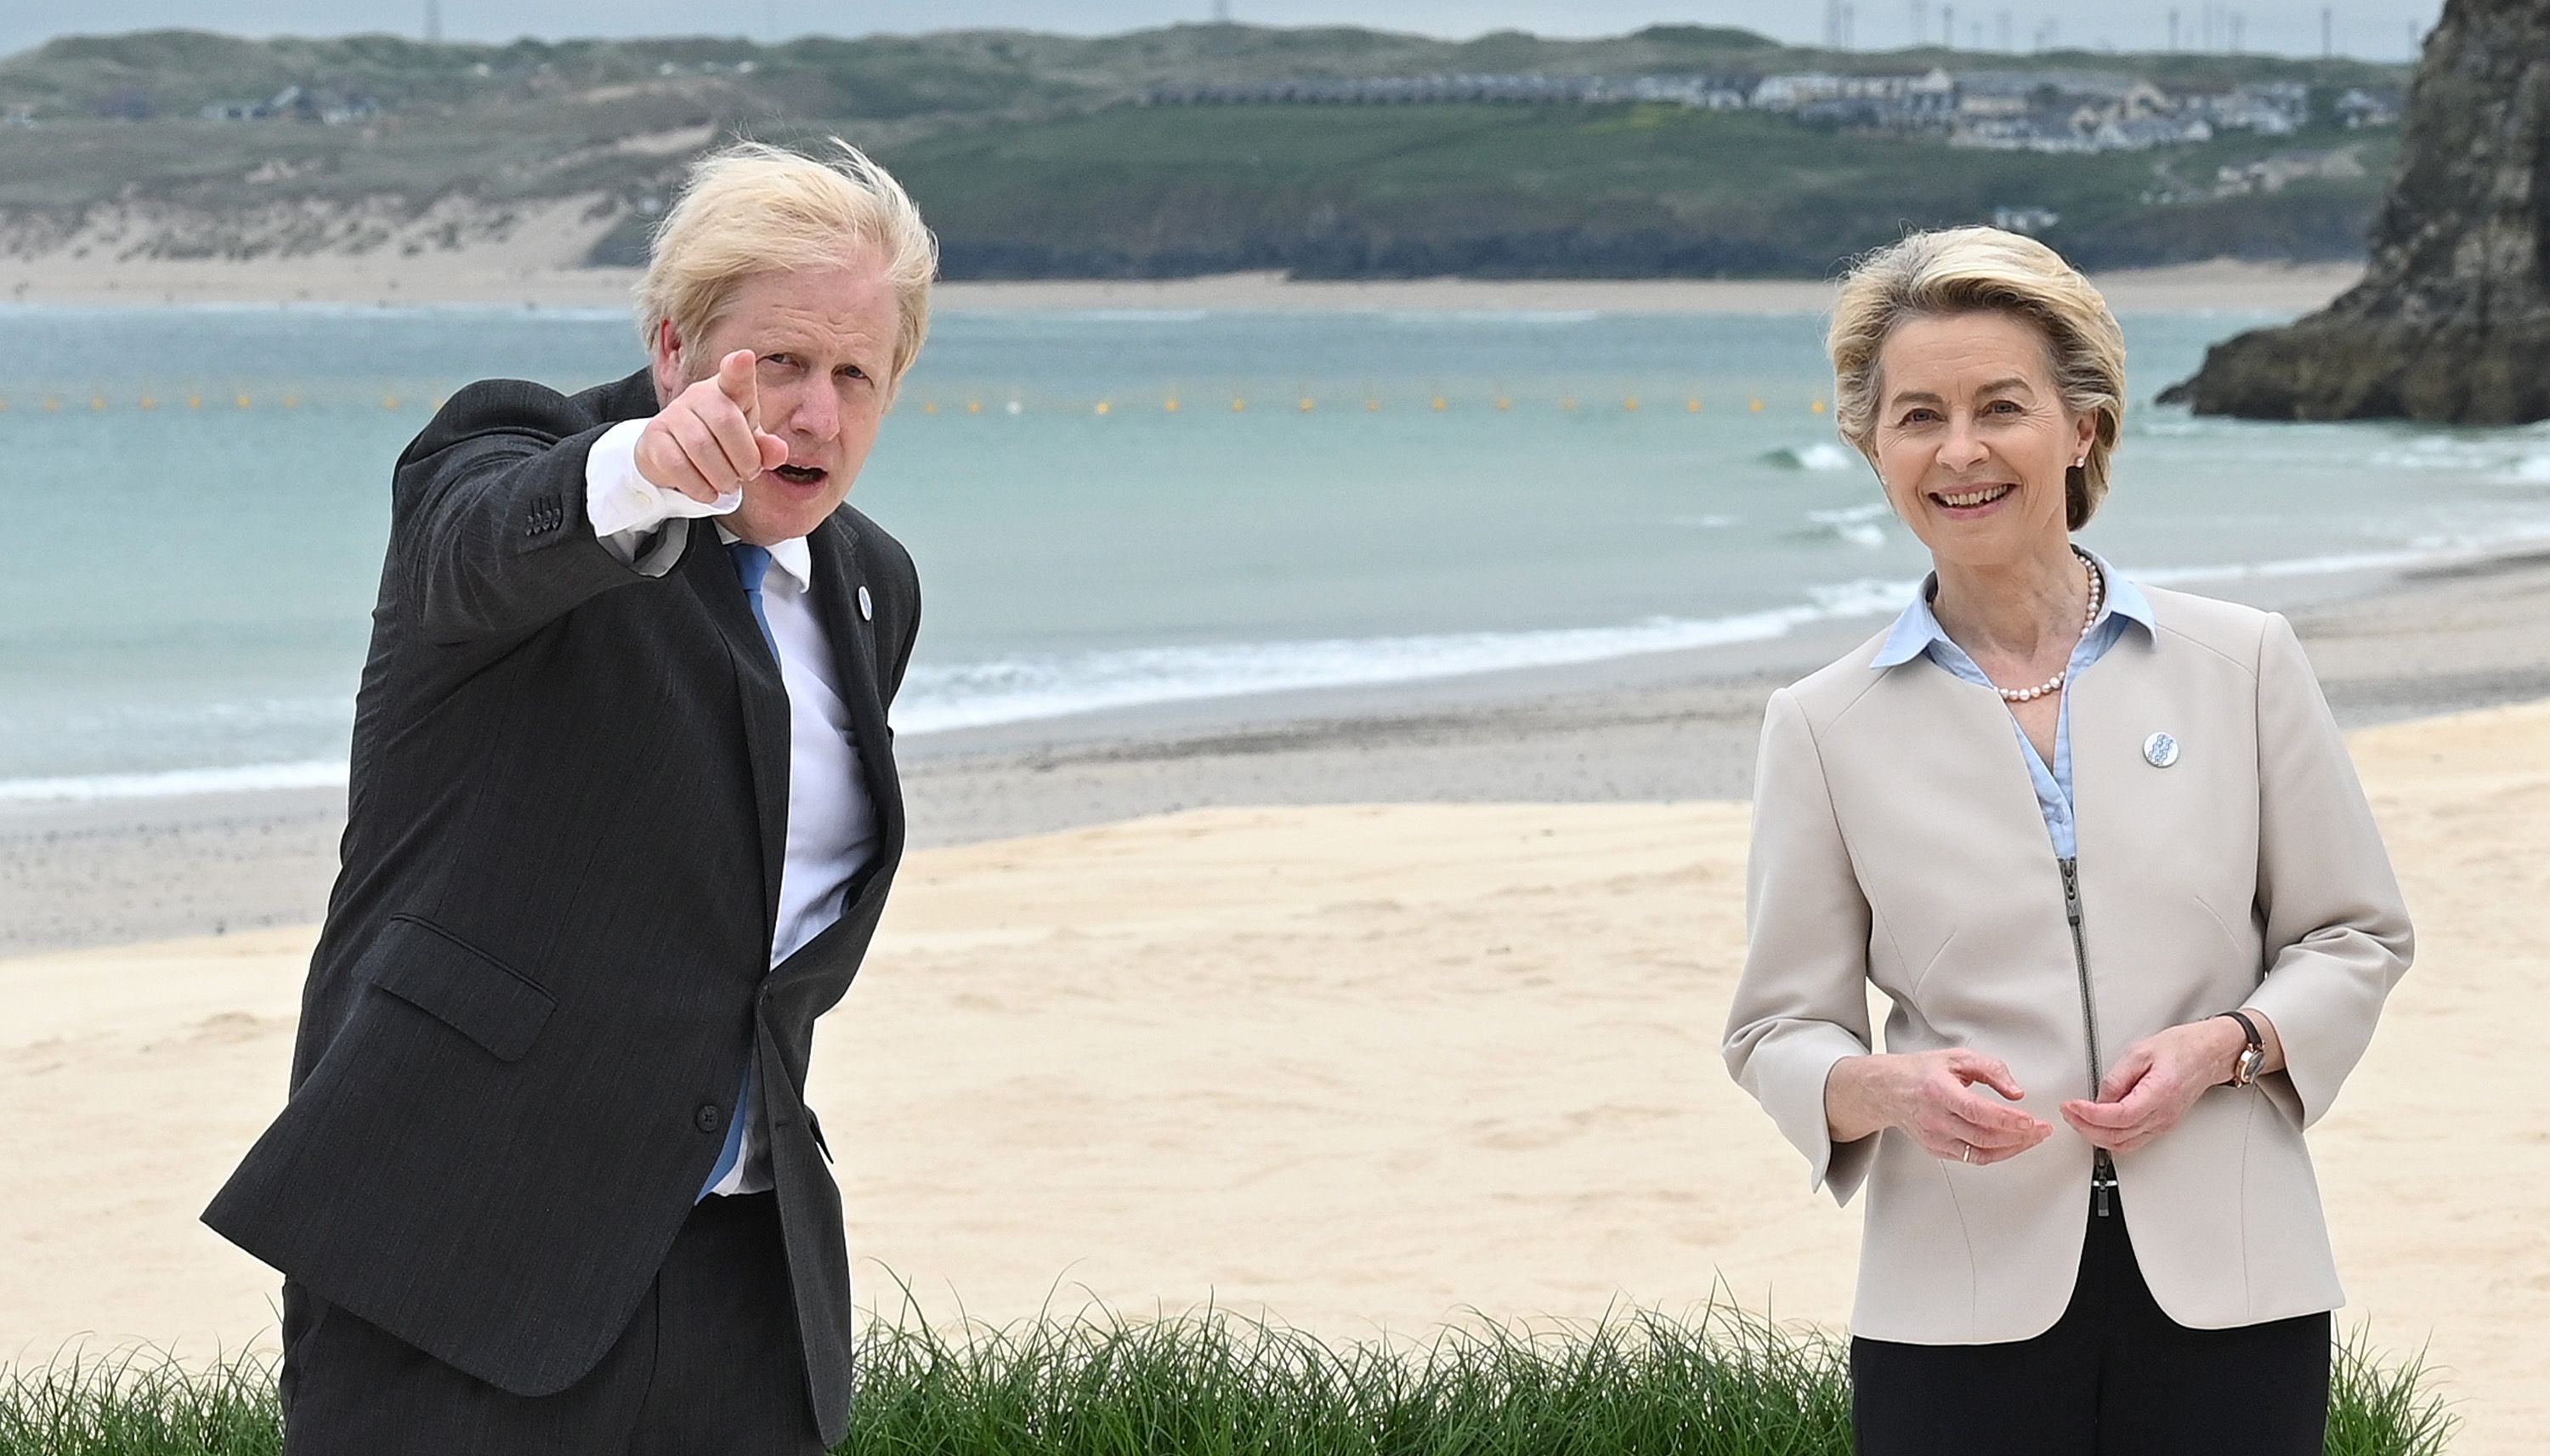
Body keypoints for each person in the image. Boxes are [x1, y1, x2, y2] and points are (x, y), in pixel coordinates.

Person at [203, 139, 935, 1453]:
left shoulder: (871, 587)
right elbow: (470, 552)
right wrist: (645, 468)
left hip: (741, 1283)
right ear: (674, 347)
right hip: (458, 1252)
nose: (815, 414)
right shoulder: (517, 459)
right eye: (778, 362)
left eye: (853, 374)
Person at [1721, 226, 2412, 1455]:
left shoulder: (2242, 661)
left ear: (2082, 426)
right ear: (1874, 448)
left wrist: (2232, 1044)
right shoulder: (1822, 725)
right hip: (1956, 1299)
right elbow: (1779, 1026)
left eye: (2003, 406)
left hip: (2235, 1285)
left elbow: (2353, 932)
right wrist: (1882, 1086)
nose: (1962, 450)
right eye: (1918, 415)